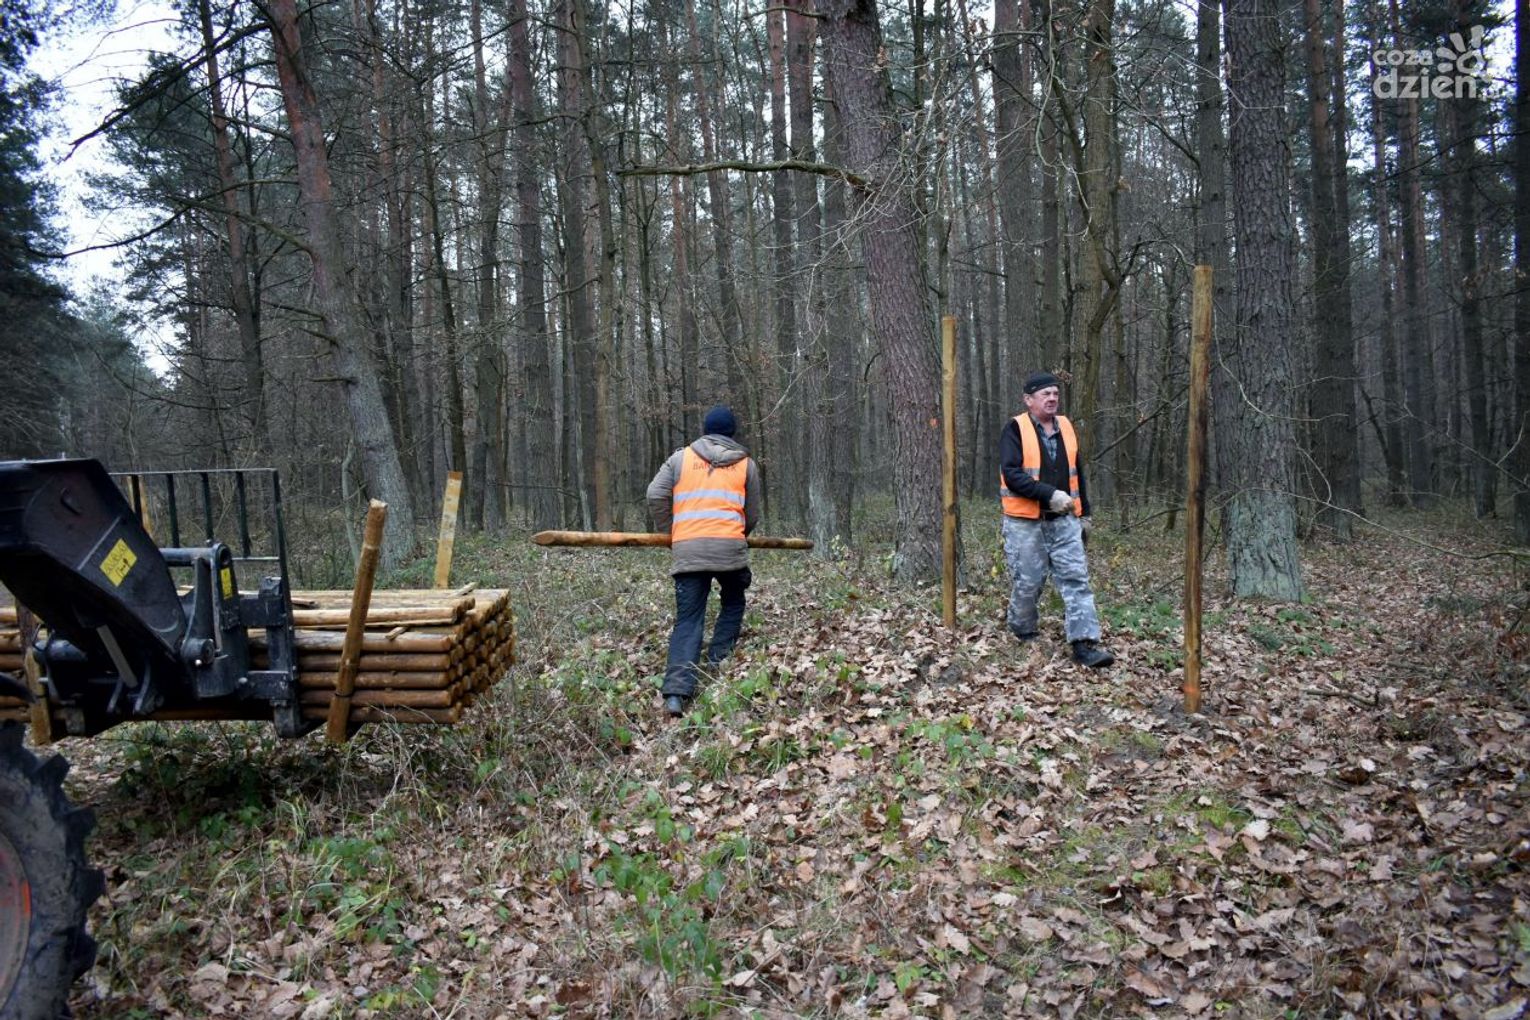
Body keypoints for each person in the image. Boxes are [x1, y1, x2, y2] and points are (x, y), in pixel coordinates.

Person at [647, 404, 762, 716]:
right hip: (730, 550)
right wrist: (736, 534)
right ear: (732, 433)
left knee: (688, 619)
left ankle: (676, 693)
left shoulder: (680, 458)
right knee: (733, 601)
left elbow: (655, 494)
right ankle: (717, 662)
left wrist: (673, 532)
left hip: (689, 550)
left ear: (705, 430)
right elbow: (752, 514)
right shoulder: (746, 464)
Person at [998, 372, 1115, 668]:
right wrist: (1049, 494)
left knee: (1076, 579)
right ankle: (1022, 629)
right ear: (1029, 400)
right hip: (1025, 521)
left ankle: (1084, 644)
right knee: (1029, 581)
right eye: (1045, 394)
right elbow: (1011, 475)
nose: (1052, 399)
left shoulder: (1066, 427)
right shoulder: (1015, 428)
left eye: (1055, 393)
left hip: (1064, 520)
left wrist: (1084, 513)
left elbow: (1078, 472)